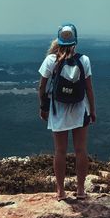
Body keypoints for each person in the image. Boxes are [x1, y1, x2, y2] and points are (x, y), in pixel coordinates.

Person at [38, 22, 97, 200]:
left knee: (60, 151)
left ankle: (61, 191)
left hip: (58, 110)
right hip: (80, 109)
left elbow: (42, 86)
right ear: (75, 41)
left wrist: (43, 107)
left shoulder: (51, 60)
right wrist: (92, 110)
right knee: (81, 150)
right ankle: (80, 190)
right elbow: (89, 89)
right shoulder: (84, 60)